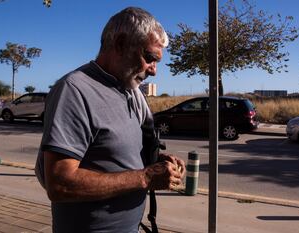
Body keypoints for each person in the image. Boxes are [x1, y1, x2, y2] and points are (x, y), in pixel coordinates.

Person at [35, 7, 186, 233]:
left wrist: (157, 161)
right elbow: (60, 184)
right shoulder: (74, 90)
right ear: (121, 44)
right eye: (150, 58)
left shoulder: (130, 91)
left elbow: (117, 153)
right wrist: (145, 177)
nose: (154, 71)